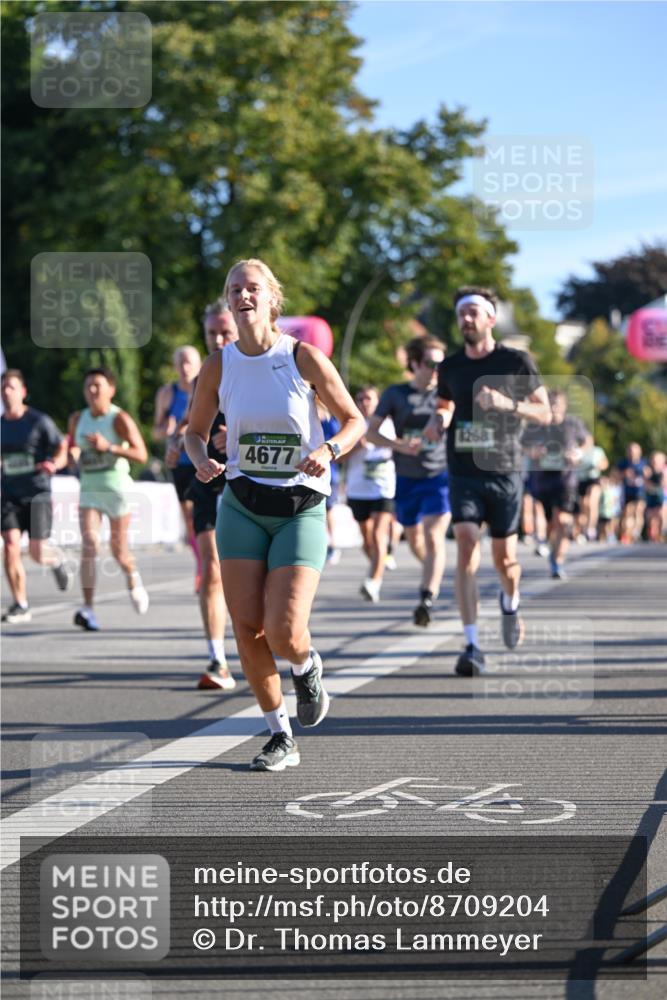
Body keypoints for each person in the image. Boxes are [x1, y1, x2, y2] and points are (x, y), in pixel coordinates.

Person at [185, 258, 365, 772]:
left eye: (252, 288)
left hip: (299, 507)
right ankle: (279, 734)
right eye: (234, 289)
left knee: (283, 631)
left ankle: (306, 667)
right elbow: (194, 433)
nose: (243, 296)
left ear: (271, 299)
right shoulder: (218, 365)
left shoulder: (302, 357)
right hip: (242, 504)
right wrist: (201, 460)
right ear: (228, 301)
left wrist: (328, 449)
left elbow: (354, 420)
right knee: (247, 628)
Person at [425, 286, 551, 676]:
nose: (466, 319)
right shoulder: (450, 366)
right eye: (461, 314)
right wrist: (438, 419)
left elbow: (545, 412)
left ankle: (510, 603)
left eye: (473, 313)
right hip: (463, 468)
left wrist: (506, 403)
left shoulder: (516, 361)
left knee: (505, 560)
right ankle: (472, 644)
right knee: (465, 544)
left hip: (505, 469)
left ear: (490, 319)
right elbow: (445, 402)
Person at [170, 302, 239, 690]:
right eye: (211, 333)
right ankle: (217, 659)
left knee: (254, 573)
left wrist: (241, 439)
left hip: (256, 483)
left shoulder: (264, 369)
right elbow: (191, 425)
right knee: (211, 567)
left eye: (224, 332)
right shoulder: (203, 378)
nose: (218, 339)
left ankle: (266, 644)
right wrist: (175, 443)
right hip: (210, 479)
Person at [367, 335, 450, 626]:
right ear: (414, 364)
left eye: (441, 365)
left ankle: (427, 597)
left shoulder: (446, 394)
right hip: (406, 477)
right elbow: (370, 432)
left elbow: (454, 416)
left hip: (439, 475)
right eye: (430, 363)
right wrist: (399, 445)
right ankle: (432, 569)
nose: (436, 370)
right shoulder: (395, 394)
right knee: (415, 539)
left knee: (434, 536)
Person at [67, 367, 149, 631]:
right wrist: (72, 456)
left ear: (111, 389)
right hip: (89, 489)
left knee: (118, 551)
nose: (92, 390)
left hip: (116, 490)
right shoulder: (77, 418)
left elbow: (141, 454)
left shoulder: (119, 419)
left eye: (98, 385)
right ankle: (88, 608)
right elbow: (72, 449)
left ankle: (132, 576)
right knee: (89, 545)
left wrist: (109, 447)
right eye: (88, 386)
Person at [1, 370, 73, 623]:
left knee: (36, 553)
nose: (6, 392)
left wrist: (56, 462)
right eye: (3, 388)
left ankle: (56, 560)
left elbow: (61, 445)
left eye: (11, 387)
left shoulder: (39, 421)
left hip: (37, 493)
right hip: (8, 494)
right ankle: (20, 604)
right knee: (10, 546)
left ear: (23, 392)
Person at [522, 389, 588, 579]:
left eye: (557, 404)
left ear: (565, 406)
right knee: (551, 524)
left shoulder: (573, 424)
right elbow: (522, 445)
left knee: (563, 521)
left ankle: (557, 562)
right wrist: (532, 451)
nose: (554, 408)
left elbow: (586, 442)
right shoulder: (535, 425)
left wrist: (578, 453)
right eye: (550, 403)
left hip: (566, 480)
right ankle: (552, 548)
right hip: (542, 481)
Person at [153, 345, 202, 589]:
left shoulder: (206, 387)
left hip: (203, 460)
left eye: (189, 362)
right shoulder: (167, 393)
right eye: (180, 363)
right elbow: (156, 431)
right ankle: (201, 563)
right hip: (179, 462)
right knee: (189, 520)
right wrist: (167, 430)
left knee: (206, 516)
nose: (185, 367)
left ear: (199, 364)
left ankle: (209, 564)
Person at [345, 384, 396, 602]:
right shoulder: (350, 425)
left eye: (369, 399)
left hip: (383, 488)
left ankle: (373, 582)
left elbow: (401, 448)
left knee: (377, 535)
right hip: (358, 489)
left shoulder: (390, 424)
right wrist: (356, 446)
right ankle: (379, 562)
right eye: (360, 399)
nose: (365, 403)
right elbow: (336, 458)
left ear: (378, 402)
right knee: (366, 540)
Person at [317, 400, 342, 565]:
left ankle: (332, 544)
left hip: (329, 475)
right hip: (308, 474)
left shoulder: (331, 423)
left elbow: (340, 446)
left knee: (328, 509)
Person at [575, 434, 608, 541]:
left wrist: (599, 465)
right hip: (581, 479)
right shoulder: (578, 451)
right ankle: (583, 527)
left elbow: (605, 463)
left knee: (592, 502)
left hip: (594, 478)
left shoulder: (597, 451)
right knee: (584, 504)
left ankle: (591, 528)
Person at [618, 442, 647, 544]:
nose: (632, 453)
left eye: (634, 451)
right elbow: (615, 476)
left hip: (640, 491)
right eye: (630, 451)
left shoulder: (643, 463)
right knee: (628, 512)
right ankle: (627, 534)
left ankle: (636, 532)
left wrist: (645, 473)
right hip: (627, 491)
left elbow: (649, 475)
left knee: (638, 511)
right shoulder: (623, 463)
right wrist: (624, 474)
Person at [644, 450, 666, 543]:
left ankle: (660, 533)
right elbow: (646, 484)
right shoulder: (648, 470)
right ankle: (652, 534)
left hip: (661, 496)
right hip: (651, 495)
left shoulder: (664, 471)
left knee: (660, 514)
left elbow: (664, 484)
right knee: (650, 515)